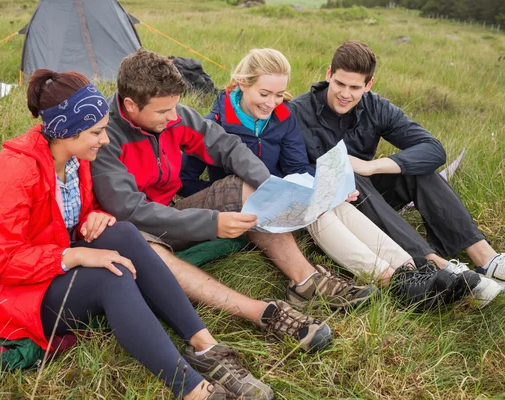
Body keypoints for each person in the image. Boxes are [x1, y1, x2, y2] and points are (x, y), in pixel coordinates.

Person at [0, 69, 275, 400]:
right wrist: (76, 255)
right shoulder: (15, 171)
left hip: (51, 265)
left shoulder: (75, 159)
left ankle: (205, 345)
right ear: (66, 132)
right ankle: (192, 390)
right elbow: (1, 259)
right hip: (11, 290)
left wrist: (93, 217)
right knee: (112, 277)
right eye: (96, 133)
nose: (105, 140)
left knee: (123, 233)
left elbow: (77, 212)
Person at [91, 48, 375, 351]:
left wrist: (268, 186)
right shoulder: (105, 137)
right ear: (131, 105)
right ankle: (263, 313)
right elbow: (130, 210)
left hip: (171, 210)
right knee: (151, 253)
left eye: (174, 108)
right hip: (134, 231)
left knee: (246, 188)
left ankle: (305, 281)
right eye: (163, 112)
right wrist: (212, 223)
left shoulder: (176, 117)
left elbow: (227, 146)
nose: (173, 117)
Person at [179, 48, 474, 309]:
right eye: (264, 94)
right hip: (240, 206)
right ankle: (391, 281)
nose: (272, 103)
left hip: (281, 198)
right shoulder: (213, 125)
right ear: (243, 84)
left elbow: (297, 166)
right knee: (318, 211)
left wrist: (327, 188)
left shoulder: (282, 118)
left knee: (329, 203)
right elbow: (186, 179)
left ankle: (408, 270)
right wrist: (227, 195)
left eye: (280, 94)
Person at [289, 40, 503, 305]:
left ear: (369, 85)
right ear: (328, 74)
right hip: (331, 210)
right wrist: (338, 176)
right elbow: (289, 171)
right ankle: (434, 265)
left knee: (416, 167)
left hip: (369, 195)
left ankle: (486, 258)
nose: (345, 94)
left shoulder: (376, 107)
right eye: (339, 84)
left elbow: (433, 149)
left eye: (355, 88)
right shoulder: (297, 112)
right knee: (348, 173)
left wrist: (373, 165)